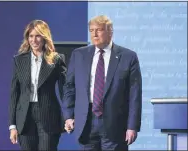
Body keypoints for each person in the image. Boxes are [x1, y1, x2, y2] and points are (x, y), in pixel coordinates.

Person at [63, 15, 142, 151]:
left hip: (115, 124)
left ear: (110, 31)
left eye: (98, 30)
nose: (94, 34)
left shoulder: (128, 56)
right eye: (91, 30)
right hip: (86, 123)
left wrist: (132, 126)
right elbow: (69, 87)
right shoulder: (79, 54)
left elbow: (134, 95)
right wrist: (68, 116)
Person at [8, 20, 66, 151]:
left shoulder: (56, 59)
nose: (34, 40)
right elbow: (14, 94)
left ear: (45, 37)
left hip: (48, 116)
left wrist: (69, 116)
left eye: (38, 36)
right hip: (24, 118)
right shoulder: (19, 60)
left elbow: (65, 90)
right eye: (31, 36)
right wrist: (12, 126)